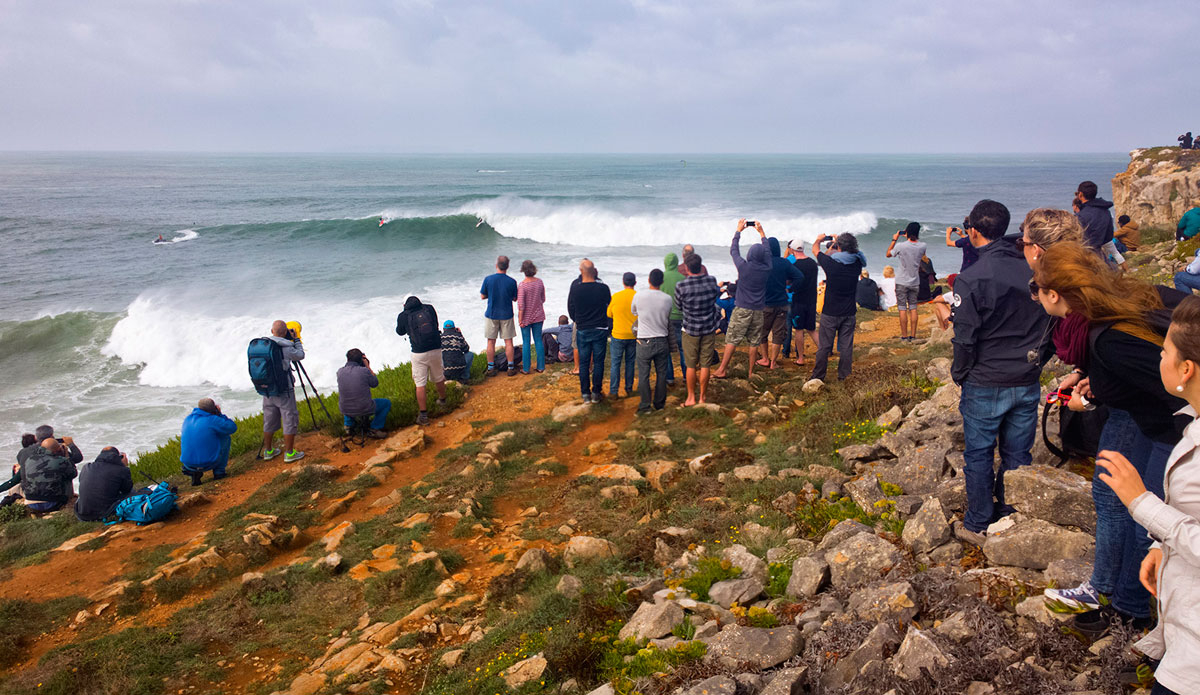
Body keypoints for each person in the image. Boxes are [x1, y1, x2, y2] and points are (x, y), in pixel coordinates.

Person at [1032, 242, 1184, 639]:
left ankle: (1134, 616)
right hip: (1154, 421)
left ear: (1054, 294)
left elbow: (1172, 386)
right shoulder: (1118, 303)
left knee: (1144, 520)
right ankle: (1119, 602)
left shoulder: (1109, 338)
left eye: (1038, 287)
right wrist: (1098, 383)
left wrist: (1092, 397)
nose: (1035, 294)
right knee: (1119, 503)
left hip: (1170, 431)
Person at [1092, 295, 1200, 695]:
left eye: (1164, 351)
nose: (1157, 358)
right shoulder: (1190, 423)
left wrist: (1142, 504)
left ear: (1185, 369)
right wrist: (1161, 549)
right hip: (1183, 633)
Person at [949, 200, 1048, 545]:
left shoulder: (972, 278)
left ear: (972, 231)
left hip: (986, 379)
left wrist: (960, 373)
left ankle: (978, 521)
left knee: (978, 453)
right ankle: (1009, 512)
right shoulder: (1033, 270)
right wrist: (1038, 362)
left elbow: (964, 338)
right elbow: (1050, 322)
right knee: (1017, 453)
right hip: (1026, 375)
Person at [714, 220, 772, 379]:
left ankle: (722, 369)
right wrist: (761, 233)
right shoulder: (767, 268)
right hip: (758, 310)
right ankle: (751, 372)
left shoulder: (744, 266)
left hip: (742, 309)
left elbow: (734, 251)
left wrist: (738, 231)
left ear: (750, 255)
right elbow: (768, 252)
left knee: (732, 338)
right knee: (754, 341)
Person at [809, 232, 865, 382]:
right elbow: (855, 253)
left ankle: (818, 375)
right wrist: (839, 243)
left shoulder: (831, 264)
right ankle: (844, 376)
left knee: (824, 347)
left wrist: (819, 239)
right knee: (846, 346)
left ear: (839, 247)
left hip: (830, 311)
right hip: (849, 311)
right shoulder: (857, 263)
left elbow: (815, 250)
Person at [674, 253, 721, 406]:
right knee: (706, 365)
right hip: (708, 327)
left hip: (690, 329)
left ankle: (691, 398)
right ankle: (702, 397)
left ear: (686, 268)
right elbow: (715, 298)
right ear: (701, 266)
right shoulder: (711, 280)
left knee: (691, 365)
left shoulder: (682, 286)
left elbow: (679, 307)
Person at [396, 296, 448, 425]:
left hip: (419, 353)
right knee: (439, 377)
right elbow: (435, 324)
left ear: (404, 305)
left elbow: (400, 332)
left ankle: (423, 416)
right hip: (436, 348)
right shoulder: (429, 309)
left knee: (420, 383)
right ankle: (443, 401)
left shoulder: (403, 315)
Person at [260, 320, 305, 463]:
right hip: (284, 389)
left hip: (266, 388)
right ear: (285, 332)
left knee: (269, 419)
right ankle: (290, 453)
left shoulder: (262, 345)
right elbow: (300, 355)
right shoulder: (286, 347)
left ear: (271, 331)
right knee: (289, 418)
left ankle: (268, 451)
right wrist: (296, 339)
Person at [567, 260, 611, 403]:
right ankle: (596, 393)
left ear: (582, 271)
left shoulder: (575, 289)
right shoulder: (603, 288)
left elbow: (571, 309)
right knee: (598, 362)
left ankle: (585, 394)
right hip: (600, 328)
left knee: (584, 363)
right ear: (594, 271)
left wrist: (578, 320)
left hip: (583, 329)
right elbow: (608, 309)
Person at [758, 237, 805, 369]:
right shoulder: (784, 263)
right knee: (778, 334)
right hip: (782, 303)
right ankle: (774, 362)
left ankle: (765, 359)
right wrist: (790, 287)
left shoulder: (763, 264)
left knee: (763, 332)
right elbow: (800, 276)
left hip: (766, 303)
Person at [631, 268, 674, 413]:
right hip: (662, 339)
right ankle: (659, 404)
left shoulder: (639, 296)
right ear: (662, 282)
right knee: (662, 374)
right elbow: (668, 315)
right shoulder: (667, 299)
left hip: (644, 341)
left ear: (649, 280)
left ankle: (645, 406)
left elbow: (634, 311)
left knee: (644, 374)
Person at [181, 398, 239, 485]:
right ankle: (219, 472)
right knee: (225, 437)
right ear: (213, 408)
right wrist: (220, 414)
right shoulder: (213, 420)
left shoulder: (187, 419)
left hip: (188, 464)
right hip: (208, 463)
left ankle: (195, 473)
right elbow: (232, 428)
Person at [886, 222, 927, 341]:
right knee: (913, 307)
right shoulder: (923, 246)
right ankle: (913, 336)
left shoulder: (900, 246)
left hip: (901, 281)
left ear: (907, 232)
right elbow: (920, 254)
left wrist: (894, 240)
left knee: (902, 308)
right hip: (915, 281)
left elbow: (888, 254)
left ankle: (904, 336)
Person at [336, 350, 391, 439]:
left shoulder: (339, 372)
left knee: (348, 398)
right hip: (364, 408)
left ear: (348, 359)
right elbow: (375, 383)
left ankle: (348, 426)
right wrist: (368, 366)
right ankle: (374, 429)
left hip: (345, 409)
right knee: (386, 403)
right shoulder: (364, 371)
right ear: (361, 359)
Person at [480, 255, 518, 377]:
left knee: (491, 342)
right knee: (508, 342)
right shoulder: (512, 281)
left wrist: (490, 295)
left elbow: (482, 296)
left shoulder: (488, 279)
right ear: (507, 267)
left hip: (491, 314)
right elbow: (515, 298)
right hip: (506, 314)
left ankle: (491, 368)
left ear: (496, 265)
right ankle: (510, 367)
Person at [1075, 180, 1126, 270]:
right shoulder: (1106, 211)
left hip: (1084, 256)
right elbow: (1108, 236)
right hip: (1099, 255)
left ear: (1080, 194)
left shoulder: (1080, 216)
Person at [74, 447, 133, 521]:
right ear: (117, 457)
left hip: (81, 514)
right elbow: (127, 489)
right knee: (133, 493)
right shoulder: (121, 470)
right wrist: (123, 465)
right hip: (103, 514)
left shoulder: (86, 467)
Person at [21, 438, 77, 513]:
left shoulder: (29, 459)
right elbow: (73, 474)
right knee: (66, 476)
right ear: (57, 450)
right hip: (53, 503)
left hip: (31, 502)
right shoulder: (61, 460)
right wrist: (66, 457)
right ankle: (70, 498)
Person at [788, 241, 820, 366]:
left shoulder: (794, 265)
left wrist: (788, 289)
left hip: (799, 300)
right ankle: (823, 351)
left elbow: (791, 283)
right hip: (811, 299)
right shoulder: (812, 263)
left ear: (792, 249)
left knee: (799, 330)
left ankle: (800, 358)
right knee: (811, 329)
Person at [607, 272, 637, 397]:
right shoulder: (638, 296)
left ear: (623, 282)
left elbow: (609, 314)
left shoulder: (616, 296)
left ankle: (614, 392)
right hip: (633, 335)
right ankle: (629, 388)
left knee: (615, 363)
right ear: (635, 283)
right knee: (630, 362)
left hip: (618, 335)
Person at [516, 260, 546, 375]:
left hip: (526, 317)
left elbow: (521, 305)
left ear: (523, 271)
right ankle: (541, 367)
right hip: (539, 315)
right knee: (538, 340)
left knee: (526, 342)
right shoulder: (539, 282)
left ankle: (526, 368)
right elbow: (543, 299)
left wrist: (520, 319)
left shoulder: (522, 285)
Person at [661, 253, 685, 386]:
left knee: (666, 349)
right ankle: (687, 376)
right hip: (681, 317)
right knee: (683, 348)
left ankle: (669, 377)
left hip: (666, 318)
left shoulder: (661, 278)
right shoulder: (682, 278)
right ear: (676, 263)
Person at [17, 424, 82, 468]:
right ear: (51, 437)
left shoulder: (22, 452)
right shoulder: (56, 449)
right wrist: (71, 444)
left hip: (29, 487)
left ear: (36, 438)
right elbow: (77, 458)